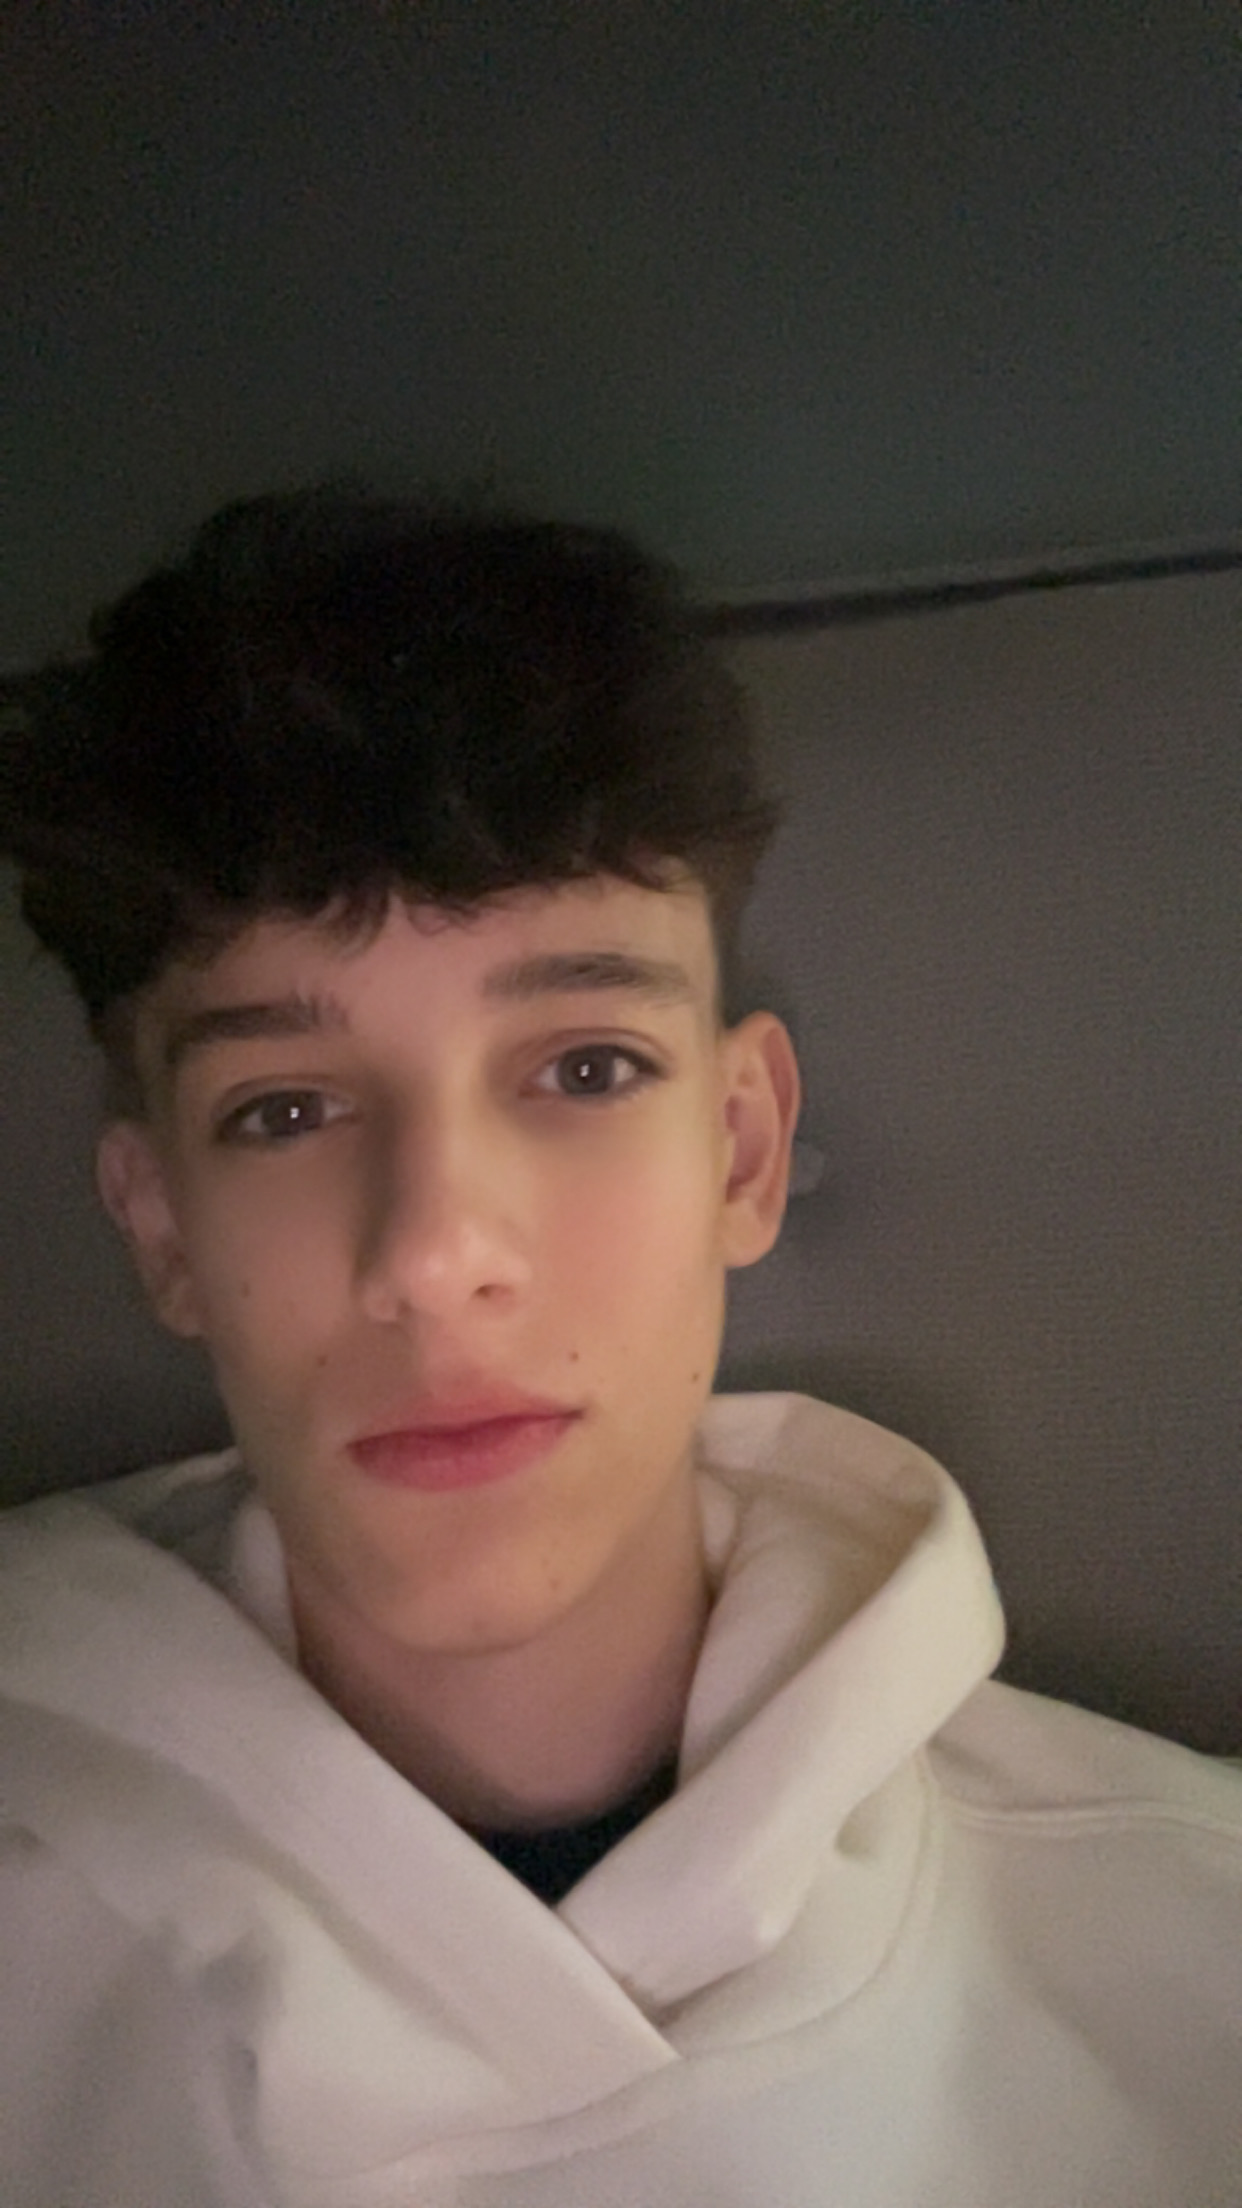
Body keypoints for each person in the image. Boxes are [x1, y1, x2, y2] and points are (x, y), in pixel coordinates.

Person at [0, 487, 1238, 2208]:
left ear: (739, 1149)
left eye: (585, 1070)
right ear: (159, 1229)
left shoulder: (1196, 1954)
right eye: (282, 1110)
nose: (436, 1258)